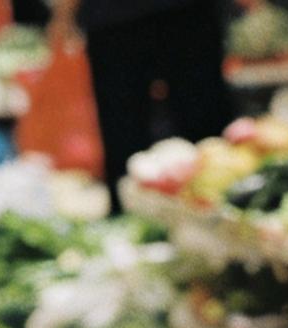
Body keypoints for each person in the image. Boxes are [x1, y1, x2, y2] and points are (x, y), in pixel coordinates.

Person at [48, 0, 229, 210]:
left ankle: (221, 214)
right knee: (203, 127)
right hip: (132, 17)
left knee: (128, 136)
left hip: (120, 19)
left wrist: (62, 15)